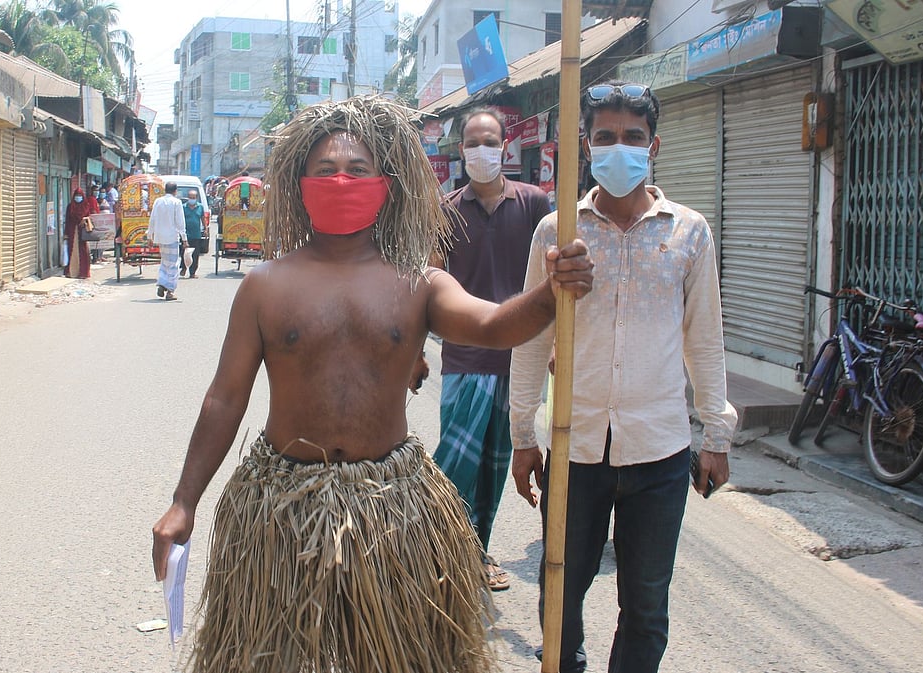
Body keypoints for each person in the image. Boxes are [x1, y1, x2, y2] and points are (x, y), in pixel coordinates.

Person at [150, 95, 595, 673]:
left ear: (385, 185)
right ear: (300, 186)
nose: (341, 180)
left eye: (357, 170)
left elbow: (493, 326)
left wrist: (548, 293)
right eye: (326, 170)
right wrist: (183, 501)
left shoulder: (418, 283)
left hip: (392, 505)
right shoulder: (264, 287)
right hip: (279, 509)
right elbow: (225, 398)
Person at [508, 81, 738, 673]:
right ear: (587, 146)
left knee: (646, 607)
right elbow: (532, 339)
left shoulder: (689, 232)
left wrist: (717, 435)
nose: (619, 148)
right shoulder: (557, 233)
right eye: (605, 137)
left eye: (632, 137)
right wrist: (523, 436)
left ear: (653, 146)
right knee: (559, 593)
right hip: (575, 448)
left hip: (660, 452)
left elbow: (704, 338)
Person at [430, 106, 553, 592]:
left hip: (519, 358)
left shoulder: (535, 204)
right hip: (463, 355)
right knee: (454, 463)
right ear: (460, 150)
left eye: (490, 141)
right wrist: (414, 350)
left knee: (495, 465)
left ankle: (475, 552)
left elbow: (551, 280)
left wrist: (555, 345)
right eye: (472, 142)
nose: (481, 150)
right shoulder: (445, 211)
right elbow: (429, 278)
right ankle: (438, 550)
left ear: (505, 146)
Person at [146, 182, 186, 301]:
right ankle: (170, 291)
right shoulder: (176, 202)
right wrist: (184, 238)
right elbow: (180, 222)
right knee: (173, 264)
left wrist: (149, 236)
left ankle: (162, 283)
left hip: (160, 238)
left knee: (164, 262)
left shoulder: (158, 201)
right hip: (172, 237)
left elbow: (152, 219)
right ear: (175, 191)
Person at [62, 188, 96, 279]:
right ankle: (72, 272)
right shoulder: (70, 207)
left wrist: (84, 220)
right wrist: (66, 233)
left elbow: (89, 217)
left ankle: (83, 273)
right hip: (72, 231)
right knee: (72, 251)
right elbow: (67, 220)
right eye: (77, 196)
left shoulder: (86, 205)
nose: (78, 197)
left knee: (83, 251)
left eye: (80, 196)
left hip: (82, 231)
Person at [179, 189, 205, 278]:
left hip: (196, 234)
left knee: (195, 254)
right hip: (185, 234)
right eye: (190, 197)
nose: (192, 199)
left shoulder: (200, 207)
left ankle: (192, 272)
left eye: (193, 198)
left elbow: (202, 218)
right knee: (184, 252)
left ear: (196, 198)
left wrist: (205, 228)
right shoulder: (183, 207)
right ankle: (183, 268)